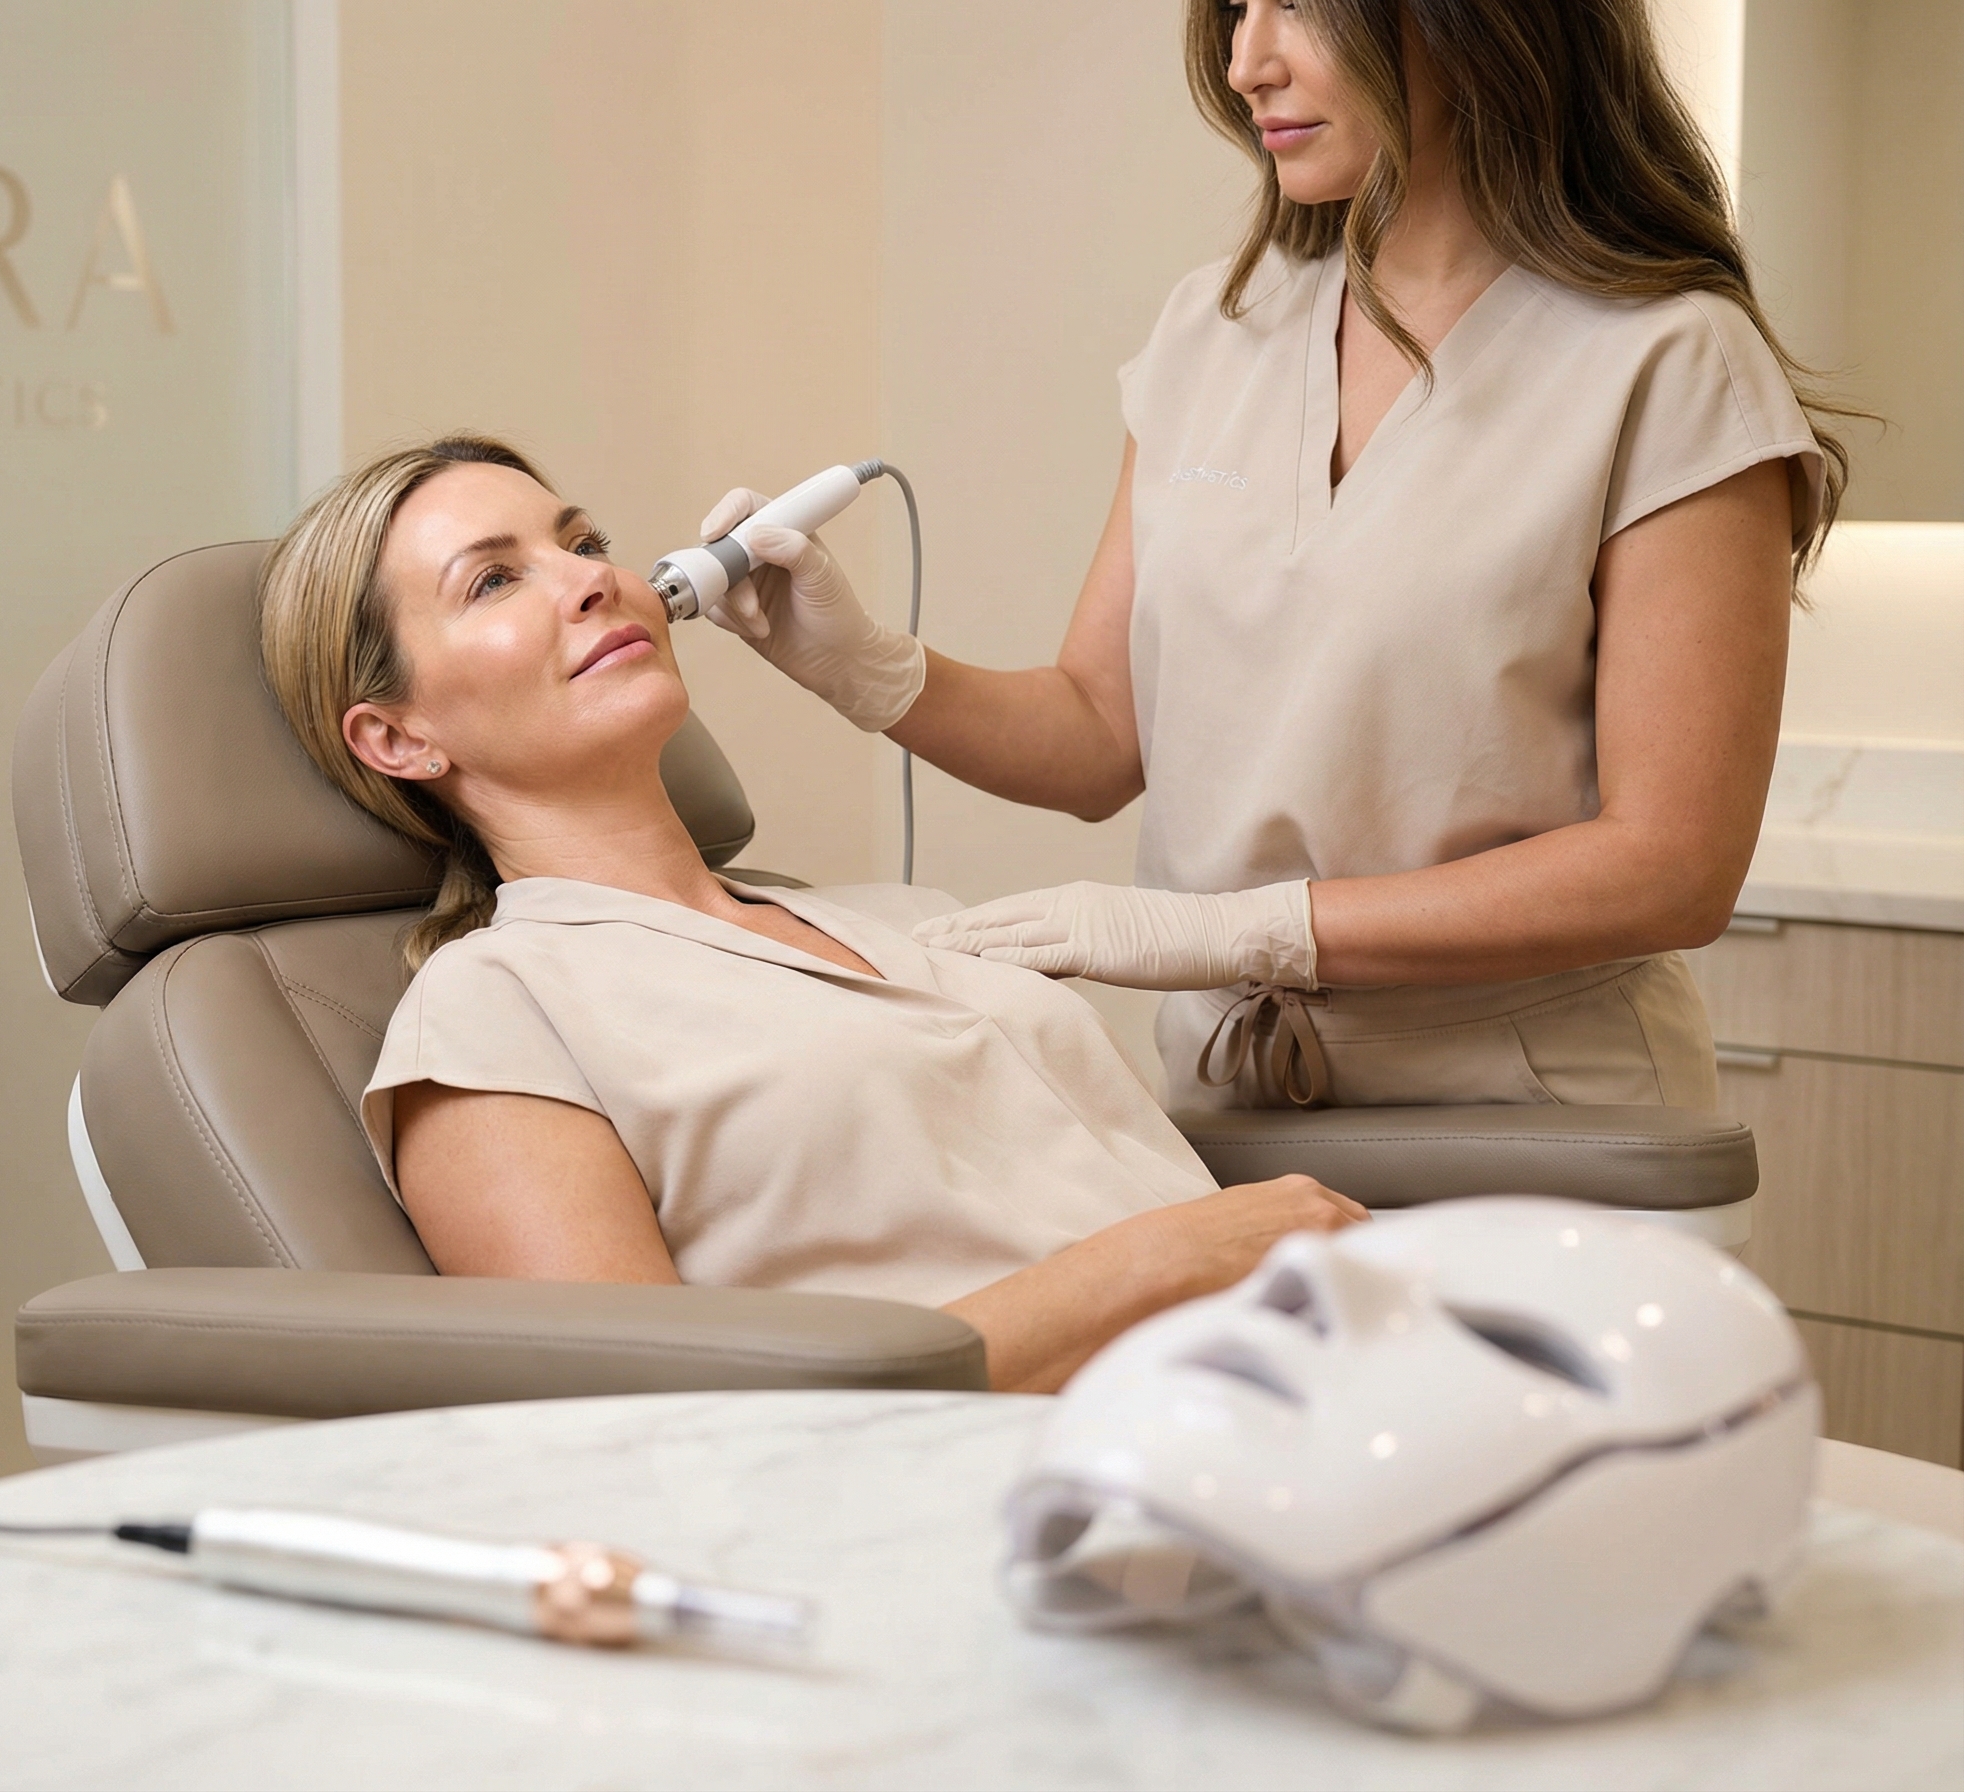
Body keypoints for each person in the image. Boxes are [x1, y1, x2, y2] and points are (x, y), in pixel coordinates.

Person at [700, 0, 1852, 1113]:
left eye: (1298, 3)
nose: (1248, 60)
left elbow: (1673, 866)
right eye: (1237, 5)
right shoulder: (1218, 329)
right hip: (1227, 1110)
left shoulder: (1667, 358)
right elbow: (1101, 731)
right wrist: (864, 670)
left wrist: (1252, 928)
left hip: (1534, 1117)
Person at [258, 436, 1366, 1394]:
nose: (591, 581)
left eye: (583, 544)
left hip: (1327, 1376)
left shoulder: (902, 921)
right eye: (493, 582)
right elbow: (648, 1415)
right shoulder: (495, 1010)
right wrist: (1162, 1263)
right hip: (1075, 1484)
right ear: (397, 739)